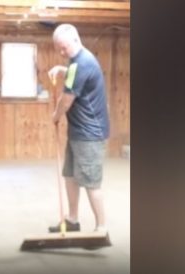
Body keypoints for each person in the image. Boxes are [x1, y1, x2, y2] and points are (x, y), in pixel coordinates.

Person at [47, 24, 110, 233]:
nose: (62, 52)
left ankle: (101, 228)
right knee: (70, 176)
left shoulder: (82, 63)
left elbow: (66, 101)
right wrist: (62, 69)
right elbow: (76, 74)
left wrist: (55, 116)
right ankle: (73, 220)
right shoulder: (77, 62)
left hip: (90, 134)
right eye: (59, 49)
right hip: (78, 132)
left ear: (75, 39)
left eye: (64, 48)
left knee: (91, 182)